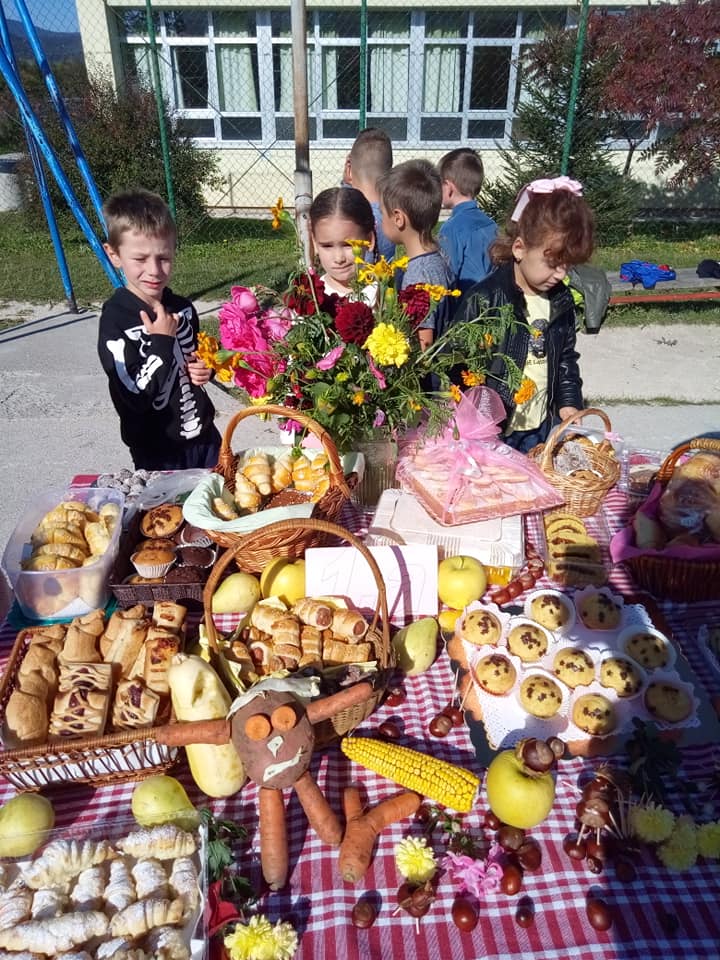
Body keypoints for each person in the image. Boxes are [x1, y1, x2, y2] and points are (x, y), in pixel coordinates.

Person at [454, 175, 595, 452]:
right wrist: (472, 415)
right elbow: (457, 362)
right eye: (553, 263)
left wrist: (568, 404)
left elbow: (566, 359)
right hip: (493, 430)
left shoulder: (560, 302)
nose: (561, 274)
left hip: (539, 427)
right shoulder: (485, 300)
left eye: (568, 265)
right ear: (519, 248)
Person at [98, 188, 221, 471]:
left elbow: (196, 358)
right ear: (114, 254)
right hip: (157, 451)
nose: (154, 270)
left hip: (206, 438)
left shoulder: (183, 308)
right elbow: (133, 397)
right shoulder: (116, 319)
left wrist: (206, 369)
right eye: (140, 259)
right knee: (166, 515)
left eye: (163, 257)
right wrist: (161, 342)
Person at [378, 159, 454, 348]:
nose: (380, 222)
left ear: (398, 218)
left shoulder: (417, 275)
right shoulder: (439, 254)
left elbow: (424, 340)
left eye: (382, 213)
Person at [438, 147, 497, 290]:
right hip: (491, 301)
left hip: (464, 305)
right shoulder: (491, 224)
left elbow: (446, 275)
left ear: (448, 187)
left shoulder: (451, 228)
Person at [309, 186, 377, 303]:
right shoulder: (310, 300)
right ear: (314, 243)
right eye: (327, 246)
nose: (339, 258)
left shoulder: (381, 294)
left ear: (369, 240)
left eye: (348, 245)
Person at [342, 127, 395, 262]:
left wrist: (346, 178)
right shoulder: (392, 217)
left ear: (349, 170)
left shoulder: (345, 215)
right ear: (390, 175)